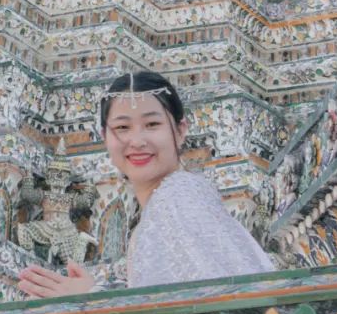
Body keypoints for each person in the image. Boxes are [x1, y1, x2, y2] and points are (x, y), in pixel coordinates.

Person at [19, 71, 273, 298]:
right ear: (105, 137)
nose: (137, 141)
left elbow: (207, 306)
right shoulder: (164, 205)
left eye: (152, 124)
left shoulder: (178, 198)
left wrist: (94, 298)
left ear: (180, 130)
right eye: (122, 127)